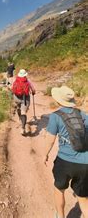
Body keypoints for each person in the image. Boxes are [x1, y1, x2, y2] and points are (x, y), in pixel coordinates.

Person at [43, 86, 88, 218]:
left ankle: (60, 216)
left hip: (65, 162)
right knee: (83, 199)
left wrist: (45, 154)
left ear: (58, 101)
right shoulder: (83, 114)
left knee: (59, 190)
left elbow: (50, 140)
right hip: (85, 163)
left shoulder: (55, 116)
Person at [11, 69, 35, 135]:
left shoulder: (15, 80)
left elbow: (12, 88)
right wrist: (33, 93)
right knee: (23, 112)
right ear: (25, 75)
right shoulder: (27, 81)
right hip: (25, 99)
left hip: (16, 98)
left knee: (18, 108)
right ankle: (23, 128)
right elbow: (33, 90)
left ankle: (20, 119)